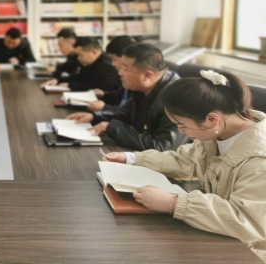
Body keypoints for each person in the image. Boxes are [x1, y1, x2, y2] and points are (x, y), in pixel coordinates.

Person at [103, 70, 266, 261]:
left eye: (182, 125)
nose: (181, 132)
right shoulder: (217, 131)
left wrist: (174, 203)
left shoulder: (259, 159)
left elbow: (248, 220)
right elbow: (186, 159)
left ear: (212, 119)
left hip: (251, 252)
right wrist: (132, 158)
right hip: (221, 234)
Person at [68, 43, 188, 151]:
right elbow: (126, 113)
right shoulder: (143, 87)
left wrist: (112, 128)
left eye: (125, 69)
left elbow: (163, 147)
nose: (119, 73)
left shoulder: (177, 99)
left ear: (147, 75)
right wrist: (94, 117)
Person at [42, 37, 120, 92]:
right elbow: (78, 77)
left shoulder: (108, 65)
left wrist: (70, 85)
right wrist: (58, 80)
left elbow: (98, 89)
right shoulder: (87, 62)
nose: (78, 58)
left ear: (93, 52)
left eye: (80, 55)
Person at [87, 35, 137, 111]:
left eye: (114, 59)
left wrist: (104, 108)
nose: (112, 64)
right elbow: (122, 95)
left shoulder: (136, 79)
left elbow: (129, 113)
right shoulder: (124, 74)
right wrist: (104, 94)